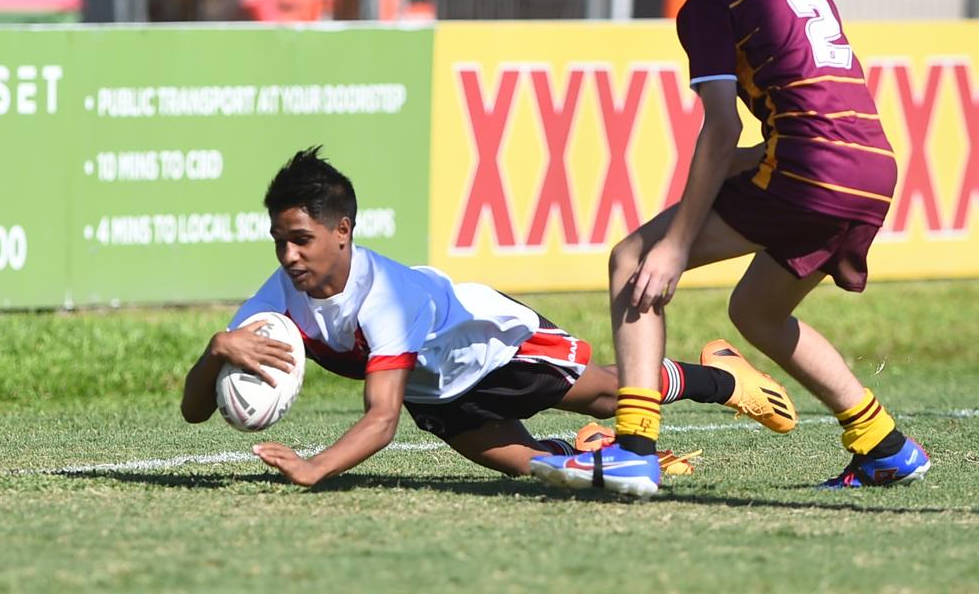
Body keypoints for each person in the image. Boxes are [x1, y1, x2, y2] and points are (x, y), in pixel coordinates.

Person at [530, 0, 929, 496]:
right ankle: (883, 444)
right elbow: (799, 111)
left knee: (633, 256)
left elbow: (719, 128)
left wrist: (677, 244)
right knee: (756, 310)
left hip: (810, 169)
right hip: (872, 165)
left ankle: (633, 449)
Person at [180, 146, 797, 487]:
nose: (288, 256)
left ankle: (723, 378)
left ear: (342, 231)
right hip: (438, 393)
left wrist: (315, 468)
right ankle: (601, 455)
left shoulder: (385, 297)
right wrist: (216, 352)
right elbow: (194, 410)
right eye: (278, 240)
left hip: (492, 346)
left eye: (300, 239)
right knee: (538, 469)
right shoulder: (276, 296)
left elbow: (382, 419)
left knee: (612, 393)